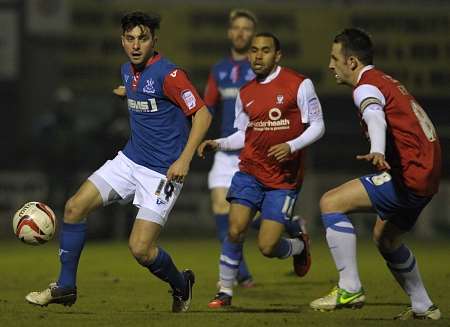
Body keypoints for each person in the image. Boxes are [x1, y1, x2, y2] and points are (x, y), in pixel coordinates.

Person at [25, 11, 212, 313]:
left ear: (155, 41)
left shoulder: (171, 75)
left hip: (163, 172)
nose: (136, 45)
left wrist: (184, 159)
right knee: (74, 208)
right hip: (130, 160)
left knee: (141, 249)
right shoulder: (127, 70)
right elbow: (146, 94)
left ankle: (181, 283)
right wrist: (128, 92)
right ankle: (66, 287)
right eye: (130, 38)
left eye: (143, 38)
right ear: (122, 40)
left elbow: (203, 115)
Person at [310, 28, 441, 320]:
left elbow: (374, 115)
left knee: (331, 203)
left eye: (334, 58)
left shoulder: (365, 87)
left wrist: (378, 149)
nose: (331, 65)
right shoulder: (385, 80)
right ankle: (423, 305)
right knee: (386, 238)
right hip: (428, 176)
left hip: (411, 175)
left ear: (352, 62)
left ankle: (349, 287)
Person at [198, 32, 325, 308]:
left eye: (265, 50)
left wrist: (291, 145)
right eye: (254, 50)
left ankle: (299, 246)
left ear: (277, 55)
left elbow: (317, 126)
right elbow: (242, 135)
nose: (257, 56)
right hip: (250, 172)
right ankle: (225, 291)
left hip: (283, 179)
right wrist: (217, 143)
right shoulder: (246, 92)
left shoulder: (299, 84)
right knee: (235, 229)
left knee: (268, 247)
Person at [203, 8, 257, 288]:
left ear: (253, 34)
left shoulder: (260, 68)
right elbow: (208, 106)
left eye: (246, 28)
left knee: (256, 218)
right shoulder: (220, 69)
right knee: (221, 209)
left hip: (253, 152)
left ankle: (293, 225)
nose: (240, 33)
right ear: (229, 32)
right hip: (225, 152)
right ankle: (242, 272)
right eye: (236, 27)